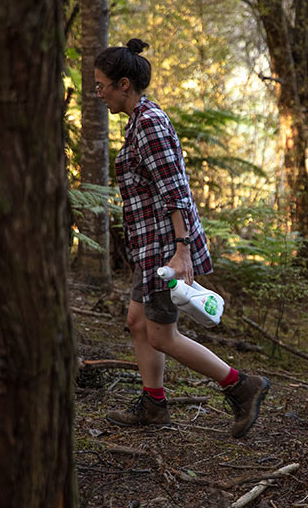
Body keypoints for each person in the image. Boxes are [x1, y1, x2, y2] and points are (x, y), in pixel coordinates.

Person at [94, 38, 269, 438]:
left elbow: (175, 190)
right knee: (138, 322)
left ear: (124, 84)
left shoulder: (149, 124)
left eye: (101, 85)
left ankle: (242, 386)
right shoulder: (138, 121)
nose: (98, 93)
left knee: (161, 334)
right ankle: (153, 405)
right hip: (149, 248)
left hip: (164, 249)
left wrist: (181, 249)